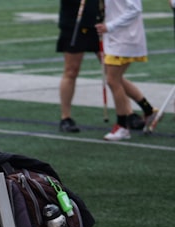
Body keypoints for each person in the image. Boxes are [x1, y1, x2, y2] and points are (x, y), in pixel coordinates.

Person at [97, 0, 156, 141]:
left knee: (112, 80)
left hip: (125, 37)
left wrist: (109, 26)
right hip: (114, 37)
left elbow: (135, 9)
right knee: (116, 79)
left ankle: (123, 126)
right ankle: (148, 110)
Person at [56, 0, 103, 132]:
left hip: (97, 23)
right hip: (73, 24)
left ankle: (131, 111)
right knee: (71, 71)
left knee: (111, 70)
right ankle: (65, 117)